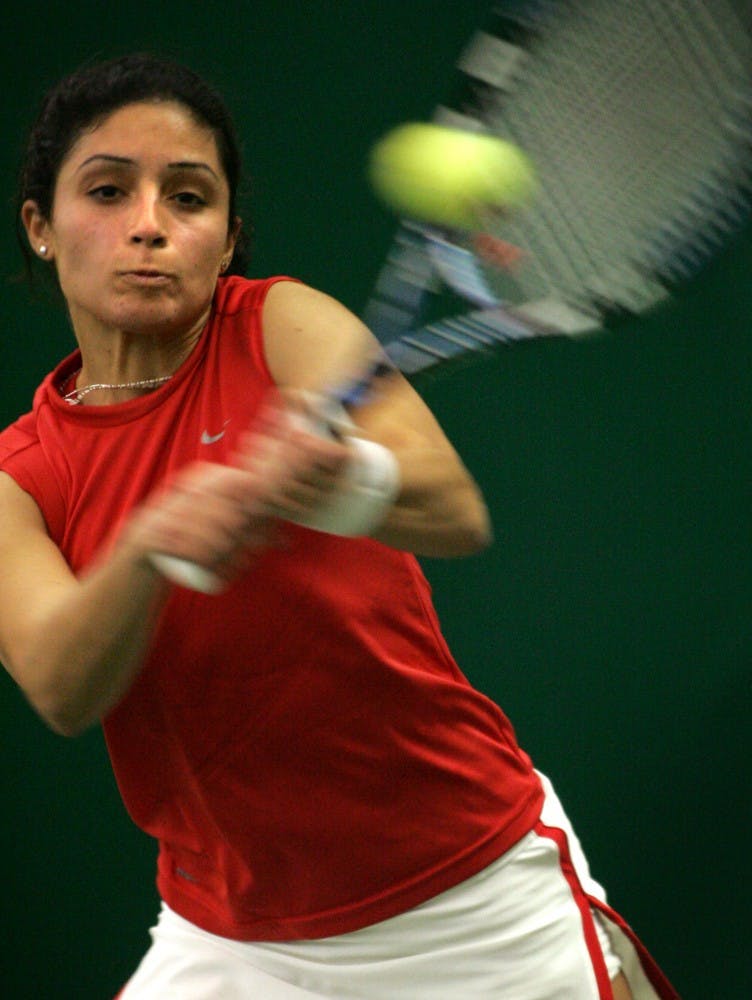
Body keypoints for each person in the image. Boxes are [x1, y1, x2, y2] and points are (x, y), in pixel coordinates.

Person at [0, 53, 678, 1000]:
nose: (147, 225)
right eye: (108, 191)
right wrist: (152, 543)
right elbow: (61, 685)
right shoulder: (20, 476)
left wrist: (340, 478)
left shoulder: (280, 325)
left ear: (228, 237)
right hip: (235, 940)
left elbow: (453, 509)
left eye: (187, 200)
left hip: (466, 904)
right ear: (41, 226)